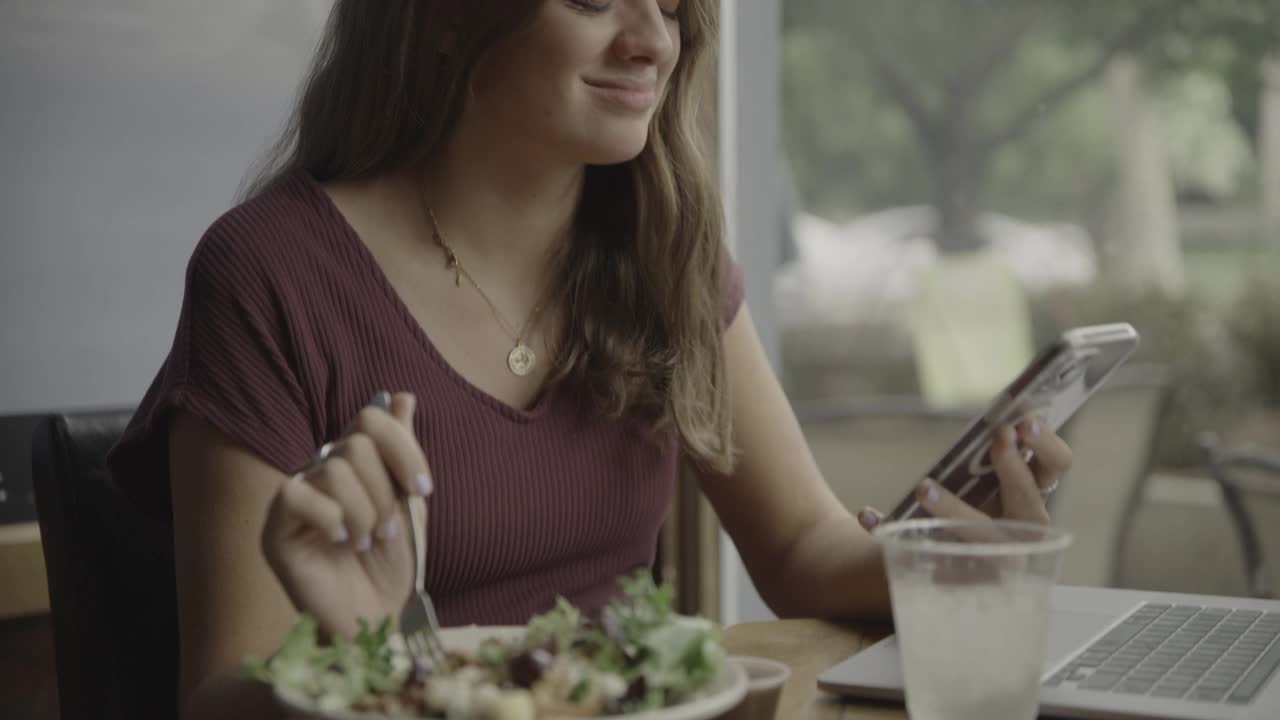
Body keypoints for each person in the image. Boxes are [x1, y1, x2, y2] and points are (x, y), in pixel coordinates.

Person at [106, 1, 1072, 718]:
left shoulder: (667, 254)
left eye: (671, 4)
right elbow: (219, 696)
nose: (654, 39)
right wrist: (374, 660)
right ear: (445, 16)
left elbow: (802, 551)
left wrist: (951, 554)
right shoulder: (270, 272)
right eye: (595, 0)